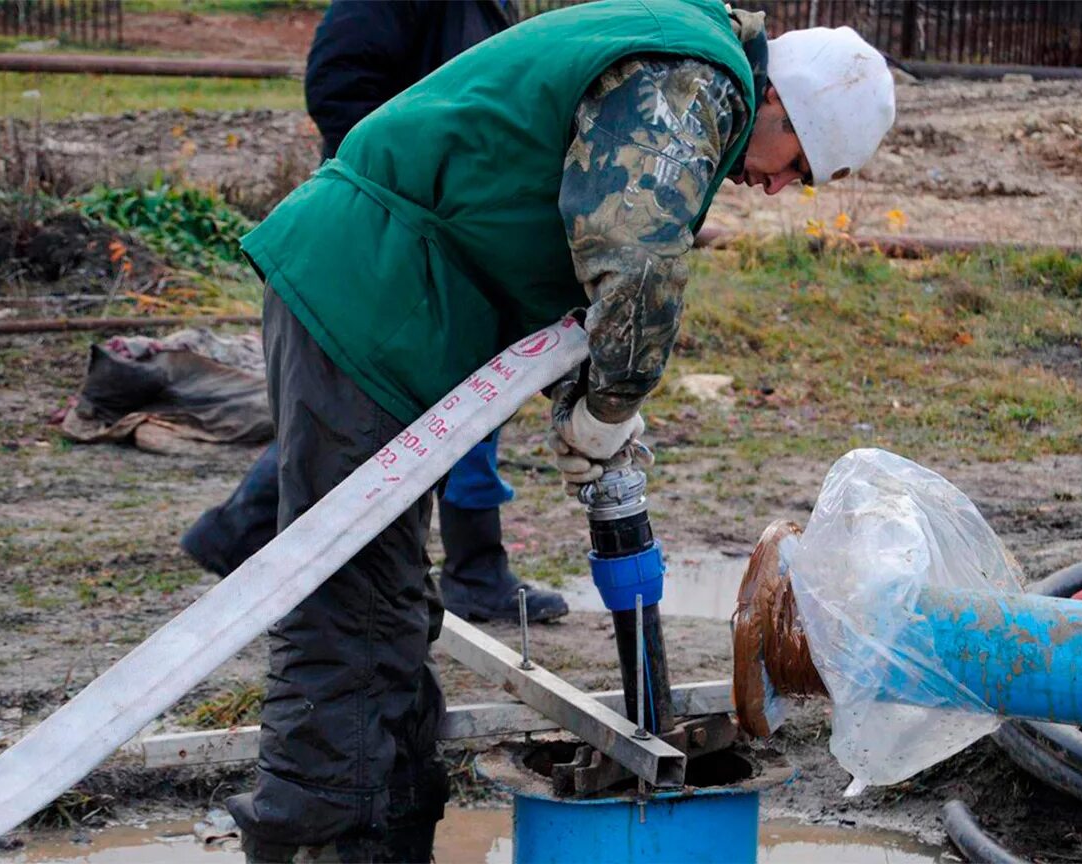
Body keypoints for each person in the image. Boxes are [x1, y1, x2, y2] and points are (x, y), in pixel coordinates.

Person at [225, 1, 896, 860]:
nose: (772, 189)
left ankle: (389, 837)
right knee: (349, 615)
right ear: (784, 107)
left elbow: (576, 238)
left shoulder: (681, 63)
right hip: (366, 301)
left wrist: (594, 391)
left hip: (389, 301)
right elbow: (640, 258)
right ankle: (323, 844)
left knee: (387, 605)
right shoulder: (694, 82)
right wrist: (610, 403)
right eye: (794, 166)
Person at [179, 0, 572, 625]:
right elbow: (337, 79)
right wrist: (400, 175)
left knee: (452, 404)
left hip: (447, 235)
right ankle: (250, 532)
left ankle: (471, 565)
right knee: (395, 406)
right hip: (394, 231)